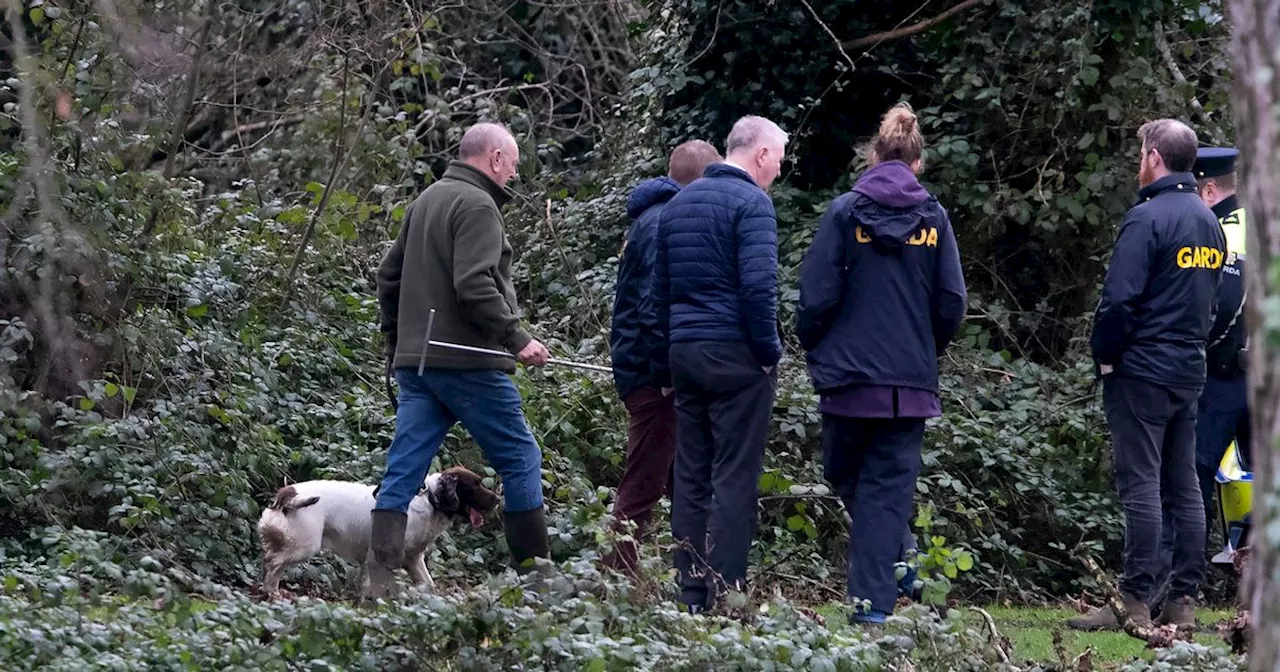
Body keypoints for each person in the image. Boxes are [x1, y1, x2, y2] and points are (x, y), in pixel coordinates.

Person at [795, 102, 967, 625]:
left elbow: (817, 295)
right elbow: (952, 302)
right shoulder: (934, 218)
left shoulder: (843, 213)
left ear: (874, 157)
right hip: (907, 385)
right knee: (881, 491)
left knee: (854, 480)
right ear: (917, 163)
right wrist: (923, 348)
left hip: (848, 382)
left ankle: (871, 611)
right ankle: (909, 570)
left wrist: (814, 344)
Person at [369, 122, 552, 599]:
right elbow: (474, 285)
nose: (512, 175)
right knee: (521, 458)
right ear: (494, 158)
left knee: (404, 470)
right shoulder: (477, 204)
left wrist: (398, 344)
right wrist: (517, 339)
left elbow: (388, 276)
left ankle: (380, 584)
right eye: (512, 165)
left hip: (418, 363)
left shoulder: (425, 200)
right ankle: (538, 585)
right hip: (467, 363)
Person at [1068, 119, 1226, 632]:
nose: (1139, 161)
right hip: (1188, 371)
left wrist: (1105, 355)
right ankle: (1181, 600)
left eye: (1141, 152)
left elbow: (1118, 302)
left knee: (1140, 484)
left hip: (1141, 371)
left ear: (1154, 157)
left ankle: (1134, 600)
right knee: (1184, 486)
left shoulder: (1146, 219)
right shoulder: (1210, 222)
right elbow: (1216, 304)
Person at [652, 115, 786, 612]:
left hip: (685, 354)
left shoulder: (678, 203)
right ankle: (726, 590)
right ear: (762, 155)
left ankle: (689, 589)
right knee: (734, 476)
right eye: (779, 159)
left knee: (691, 474)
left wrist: (671, 356)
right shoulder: (753, 204)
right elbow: (758, 290)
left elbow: (658, 294)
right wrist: (769, 353)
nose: (779, 170)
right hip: (735, 357)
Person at [603, 139, 723, 575]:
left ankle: (695, 570)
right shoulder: (662, 223)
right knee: (644, 482)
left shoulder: (654, 216)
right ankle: (614, 579)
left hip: (649, 370)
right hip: (655, 377)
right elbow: (655, 308)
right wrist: (668, 374)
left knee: (680, 477)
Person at [1145, 147, 1251, 621]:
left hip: (1227, 378)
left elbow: (1221, 308)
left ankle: (1174, 591)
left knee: (1190, 478)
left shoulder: (1221, 231)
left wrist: (1202, 354)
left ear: (1209, 189)